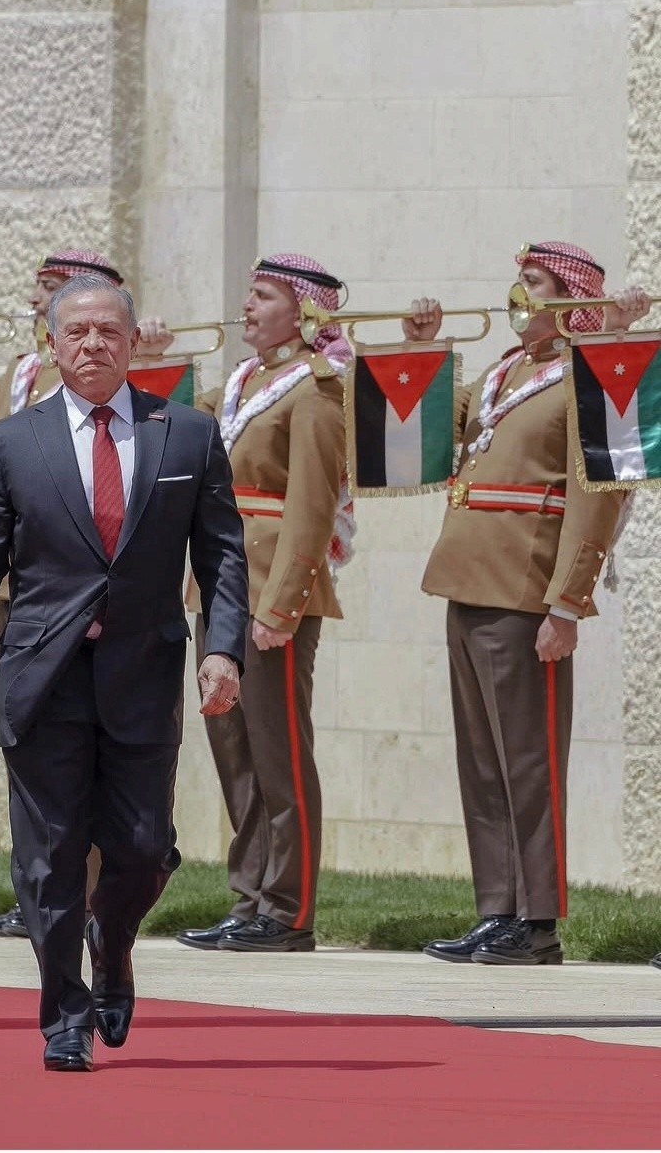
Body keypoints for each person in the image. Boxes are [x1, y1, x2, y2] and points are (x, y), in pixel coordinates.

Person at [0, 272, 248, 1072]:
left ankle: (113, 941)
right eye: (77, 332)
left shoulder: (187, 435)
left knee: (143, 848)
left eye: (109, 331)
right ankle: (64, 1018)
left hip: (143, 672)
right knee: (49, 857)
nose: (93, 345)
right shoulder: (10, 443)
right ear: (52, 344)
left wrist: (222, 649)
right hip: (42, 677)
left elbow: (222, 554)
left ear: (134, 341)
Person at [411, 242, 647, 965]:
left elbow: (598, 496)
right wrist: (423, 350)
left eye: (536, 282)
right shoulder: (507, 371)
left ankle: (537, 921)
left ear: (572, 299)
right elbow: (436, 431)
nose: (520, 292)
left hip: (524, 589)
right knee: (483, 763)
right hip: (466, 579)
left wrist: (567, 604)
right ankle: (497, 909)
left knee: (528, 762)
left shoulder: (587, 374)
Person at [143, 254, 354, 954]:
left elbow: (312, 508)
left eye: (263, 295)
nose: (248, 306)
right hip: (223, 587)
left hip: (270, 596)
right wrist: (151, 359)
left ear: (304, 311)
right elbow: (170, 420)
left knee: (278, 754)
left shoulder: (315, 389)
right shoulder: (242, 383)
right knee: (234, 751)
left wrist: (282, 606)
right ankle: (250, 895)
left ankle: (288, 908)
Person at [0, 250, 122, 941]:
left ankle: (93, 902)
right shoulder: (18, 376)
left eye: (56, 289)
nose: (40, 298)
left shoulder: (114, 374)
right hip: (28, 593)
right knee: (36, 759)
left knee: (107, 768)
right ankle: (44, 895)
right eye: (43, 291)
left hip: (101, 600)